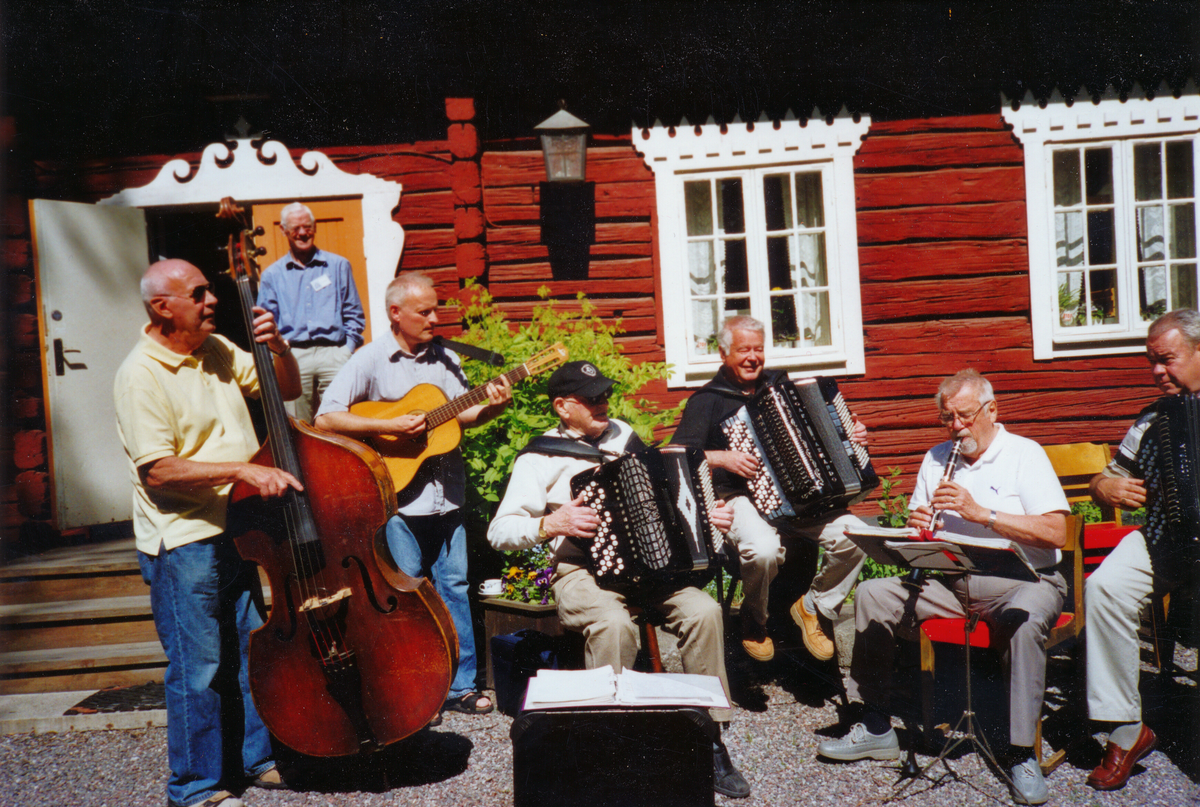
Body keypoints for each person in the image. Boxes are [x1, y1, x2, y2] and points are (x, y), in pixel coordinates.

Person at [487, 360, 751, 799]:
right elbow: (499, 531)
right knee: (612, 624)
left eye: (605, 394)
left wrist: (708, 515)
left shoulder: (623, 436)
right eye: (592, 398)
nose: (602, 403)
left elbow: (666, 494)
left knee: (704, 611)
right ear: (562, 406)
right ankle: (608, 743)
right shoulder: (538, 457)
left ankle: (711, 740)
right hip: (580, 571)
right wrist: (553, 523)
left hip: (646, 572)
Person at [816, 369, 1069, 807]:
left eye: (965, 416)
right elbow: (922, 531)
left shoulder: (1025, 454)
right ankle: (876, 725)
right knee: (875, 595)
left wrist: (982, 514)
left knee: (1021, 623)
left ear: (992, 410)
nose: (956, 427)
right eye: (947, 418)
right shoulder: (938, 457)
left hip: (1025, 581)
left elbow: (1055, 532)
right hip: (954, 584)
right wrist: (916, 529)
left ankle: (1021, 751)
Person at [114, 259, 302, 807]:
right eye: (198, 293)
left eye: (211, 290)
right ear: (161, 307)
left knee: (249, 649)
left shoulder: (214, 348)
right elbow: (159, 469)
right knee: (199, 667)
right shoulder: (140, 374)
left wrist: (280, 350)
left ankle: (255, 759)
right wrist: (243, 470)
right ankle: (194, 786)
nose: (212, 299)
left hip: (238, 528)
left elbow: (281, 392)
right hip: (185, 537)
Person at [314, 271, 510, 717]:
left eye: (436, 309)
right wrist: (386, 425)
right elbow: (327, 418)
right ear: (395, 314)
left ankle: (460, 686)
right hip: (400, 496)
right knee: (409, 591)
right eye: (425, 312)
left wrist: (493, 406)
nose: (434, 318)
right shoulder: (369, 359)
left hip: (449, 495)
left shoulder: (445, 358)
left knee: (456, 586)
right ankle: (418, 687)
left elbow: (464, 413)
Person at [671, 315, 868, 663]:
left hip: (798, 500)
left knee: (859, 535)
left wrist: (850, 436)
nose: (752, 357)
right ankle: (754, 619)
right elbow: (675, 457)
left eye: (758, 349)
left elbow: (821, 433)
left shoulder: (781, 385)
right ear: (723, 353)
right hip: (738, 498)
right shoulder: (707, 401)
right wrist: (721, 457)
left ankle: (812, 607)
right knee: (762, 549)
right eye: (743, 350)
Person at [1083, 308, 1200, 791]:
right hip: (1167, 543)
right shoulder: (1155, 418)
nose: (1157, 372)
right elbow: (1109, 475)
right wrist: (1105, 489)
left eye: (1167, 360)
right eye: (1152, 362)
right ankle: (1126, 727)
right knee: (1105, 587)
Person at [256, 202, 365, 423]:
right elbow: (266, 323)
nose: (303, 233)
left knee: (343, 420)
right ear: (284, 230)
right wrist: (278, 357)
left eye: (307, 227)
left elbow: (353, 312)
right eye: (296, 228)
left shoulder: (338, 265)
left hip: (334, 353)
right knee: (298, 425)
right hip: (293, 356)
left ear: (314, 227)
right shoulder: (272, 275)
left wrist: (347, 349)